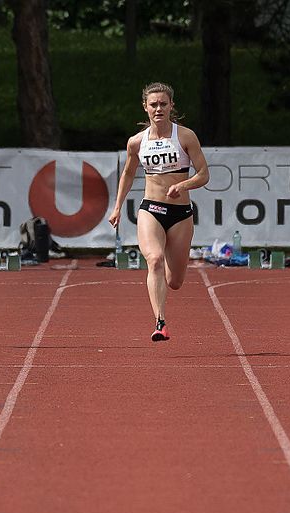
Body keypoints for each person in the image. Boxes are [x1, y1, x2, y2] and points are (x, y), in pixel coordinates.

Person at [109, 82, 209, 342]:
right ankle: (160, 322)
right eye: (153, 104)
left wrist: (183, 185)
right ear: (145, 107)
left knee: (175, 281)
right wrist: (118, 206)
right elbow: (128, 173)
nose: (158, 109)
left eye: (163, 104)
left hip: (181, 214)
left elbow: (204, 175)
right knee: (153, 259)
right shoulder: (137, 142)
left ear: (171, 106)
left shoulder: (185, 136)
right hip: (150, 210)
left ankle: (164, 276)